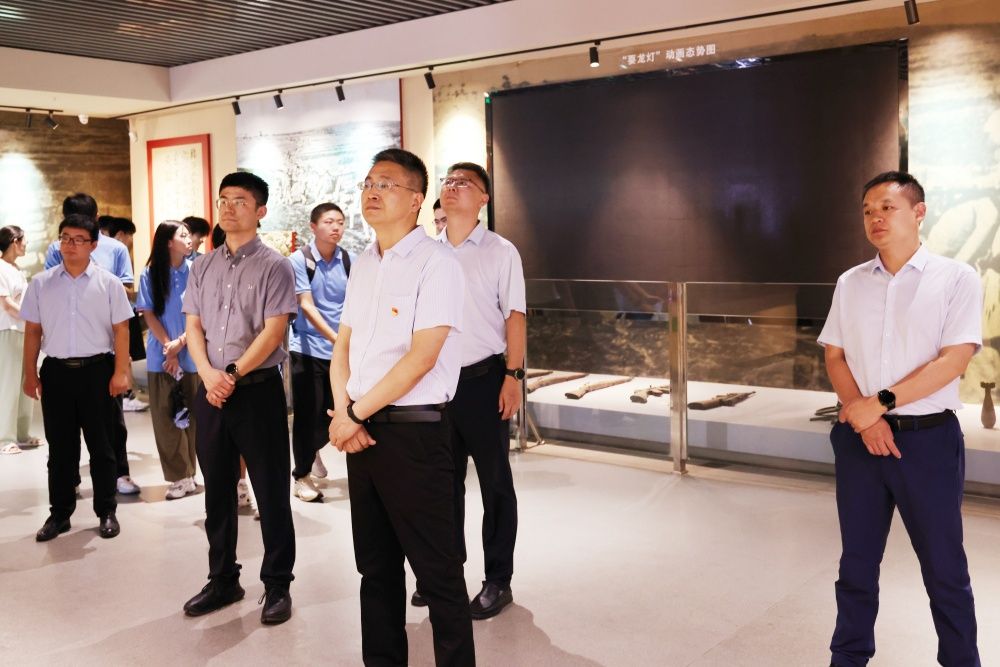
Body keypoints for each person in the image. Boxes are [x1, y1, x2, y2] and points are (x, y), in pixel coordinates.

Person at [818, 171, 983, 667]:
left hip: (927, 443)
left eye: (887, 207)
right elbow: (835, 356)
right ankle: (848, 659)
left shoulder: (956, 278)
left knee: (944, 569)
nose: (876, 218)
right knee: (856, 565)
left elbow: (953, 360)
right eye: (868, 210)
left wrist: (881, 403)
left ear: (918, 212)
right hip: (859, 442)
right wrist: (864, 417)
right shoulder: (850, 282)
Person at [328, 148, 474, 666]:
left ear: (415, 199)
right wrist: (344, 411)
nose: (372, 191)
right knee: (375, 569)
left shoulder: (439, 264)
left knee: (438, 574)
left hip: (414, 434)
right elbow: (343, 347)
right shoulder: (365, 262)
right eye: (368, 182)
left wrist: (353, 415)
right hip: (361, 432)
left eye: (386, 184)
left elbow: (421, 358)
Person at [181, 172, 297, 625]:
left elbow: (274, 331)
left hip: (257, 391)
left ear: (260, 210)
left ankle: (278, 583)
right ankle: (223, 578)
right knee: (217, 489)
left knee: (270, 490)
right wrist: (209, 375)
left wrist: (231, 374)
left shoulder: (275, 265)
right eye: (223, 200)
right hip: (211, 390)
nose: (229, 208)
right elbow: (193, 325)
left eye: (240, 201)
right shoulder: (202, 265)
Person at [414, 162, 524, 620]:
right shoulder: (427, 251)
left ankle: (498, 579)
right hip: (435, 384)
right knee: (442, 485)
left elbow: (515, 316)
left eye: (464, 183)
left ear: (483, 198)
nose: (453, 187)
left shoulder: (501, 251)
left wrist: (514, 376)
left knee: (495, 483)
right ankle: (445, 573)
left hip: (484, 380)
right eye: (448, 181)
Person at [22, 214, 133, 541]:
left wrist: (121, 372)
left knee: (103, 446)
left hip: (97, 371)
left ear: (93, 245)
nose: (70, 245)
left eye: (78, 239)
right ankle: (59, 514)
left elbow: (121, 330)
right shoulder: (41, 283)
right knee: (60, 449)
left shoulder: (109, 283)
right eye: (65, 238)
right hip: (56, 372)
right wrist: (29, 373)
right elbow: (33, 331)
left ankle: (106, 510)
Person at [44, 195, 141, 494]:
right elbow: (52, 289)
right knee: (65, 427)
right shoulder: (56, 249)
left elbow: (126, 291)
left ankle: (119, 473)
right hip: (67, 348)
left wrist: (96, 282)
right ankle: (70, 479)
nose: (71, 243)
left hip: (104, 349)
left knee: (110, 422)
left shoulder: (115, 248)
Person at [287, 202, 350, 502]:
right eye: (328, 222)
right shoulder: (299, 260)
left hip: (340, 350)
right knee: (306, 414)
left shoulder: (347, 260)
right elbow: (306, 305)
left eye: (340, 222)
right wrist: (336, 338)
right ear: (313, 227)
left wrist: (346, 342)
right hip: (307, 349)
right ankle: (301, 476)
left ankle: (311, 451)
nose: (336, 227)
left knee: (336, 410)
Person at [136, 221, 199, 500]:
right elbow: (148, 314)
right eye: (183, 235)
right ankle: (179, 477)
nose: (190, 239)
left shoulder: (197, 271)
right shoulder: (150, 274)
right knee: (166, 417)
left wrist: (181, 343)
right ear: (168, 242)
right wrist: (168, 348)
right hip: (161, 357)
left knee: (193, 417)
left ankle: (190, 473)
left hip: (194, 354)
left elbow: (202, 313)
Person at [0, 226, 41, 454]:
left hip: (23, 331)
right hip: (7, 330)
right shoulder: (0, 268)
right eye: (24, 240)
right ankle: (4, 438)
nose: (26, 244)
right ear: (15, 241)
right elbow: (7, 305)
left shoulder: (16, 269)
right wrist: (31, 317)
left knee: (26, 380)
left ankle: (22, 433)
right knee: (8, 385)